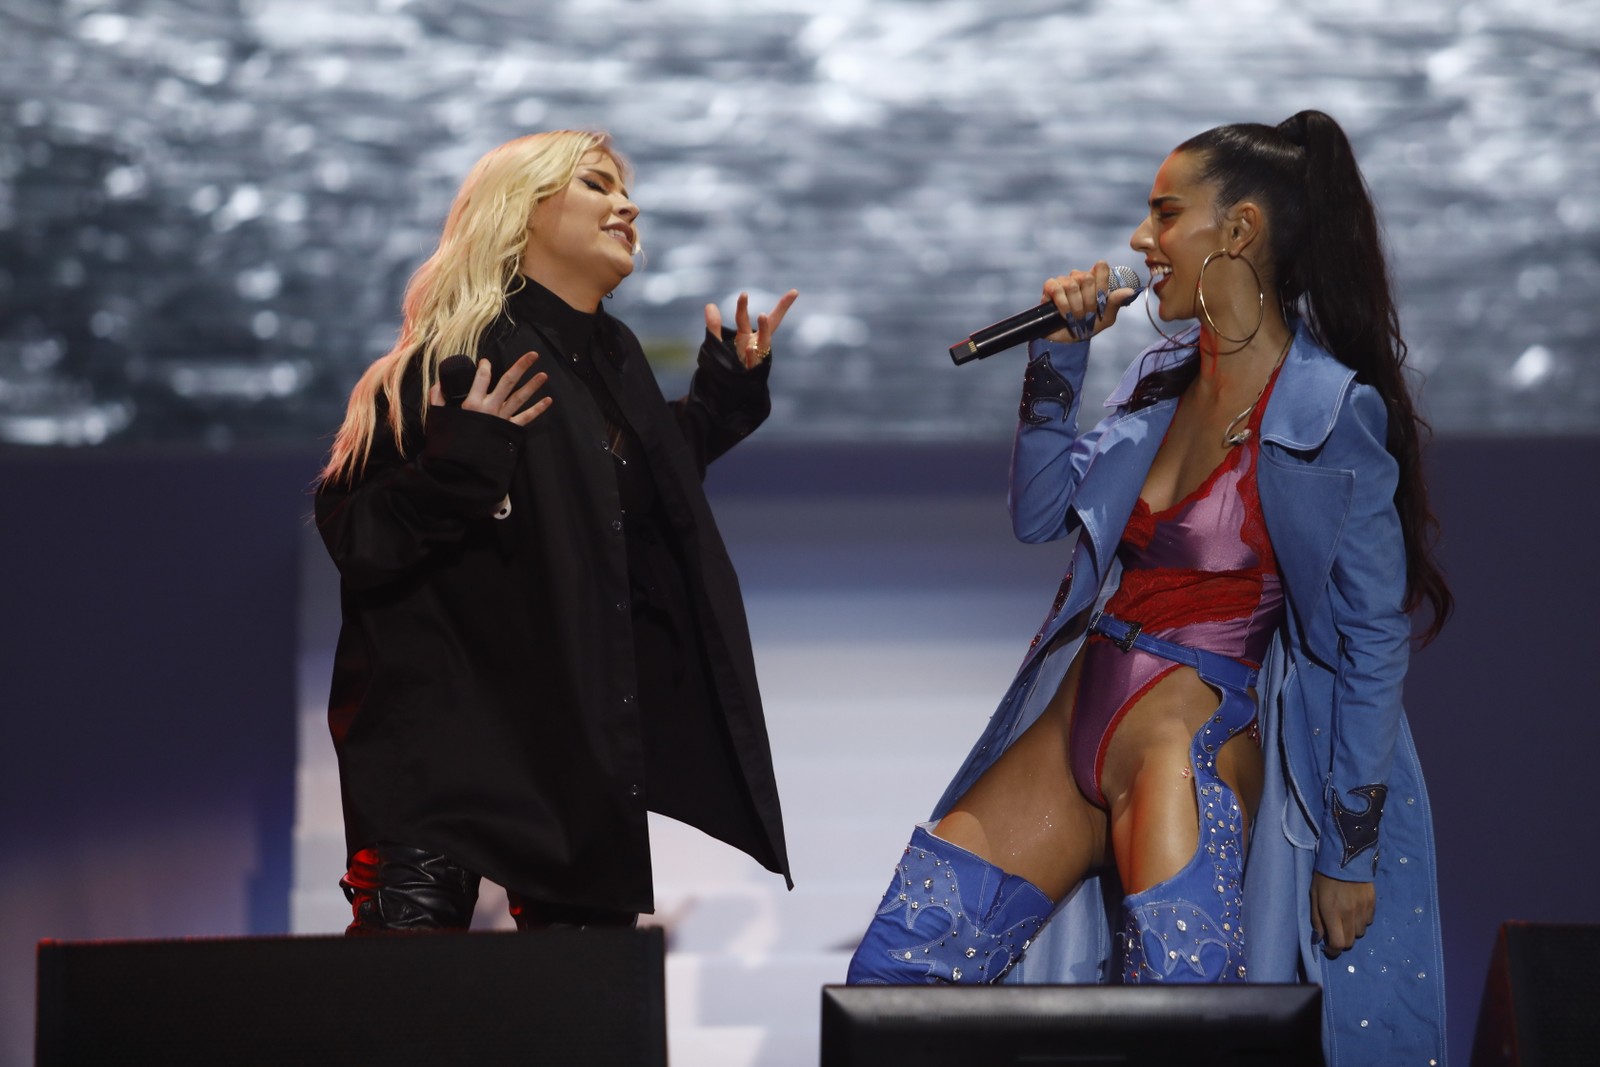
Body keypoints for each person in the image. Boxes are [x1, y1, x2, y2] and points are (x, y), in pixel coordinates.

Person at [846, 111, 1452, 1065]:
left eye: (1164, 214)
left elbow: (1372, 645)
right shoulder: (1158, 378)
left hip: (1188, 741)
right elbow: (1042, 513)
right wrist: (1060, 355)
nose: (1140, 241)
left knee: (1176, 1031)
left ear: (1240, 230)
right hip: (1073, 723)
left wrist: (1352, 851)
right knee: (892, 988)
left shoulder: (1332, 412)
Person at [315, 130, 798, 933]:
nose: (628, 204)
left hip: (574, 761)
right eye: (597, 186)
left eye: (625, 190)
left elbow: (626, 488)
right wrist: (458, 470)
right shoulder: (445, 360)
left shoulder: (614, 361)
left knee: (588, 1025)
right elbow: (355, 536)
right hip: (445, 767)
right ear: (524, 211)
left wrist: (725, 399)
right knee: (400, 1020)